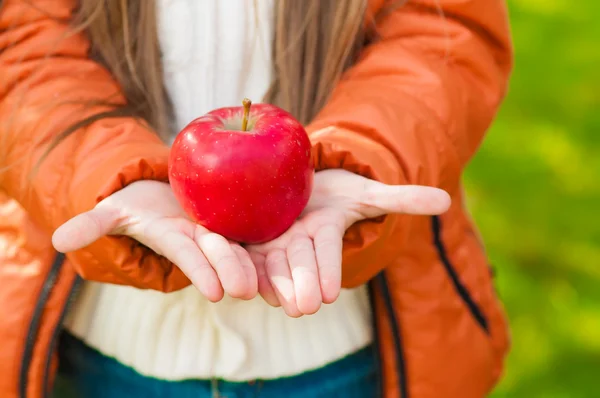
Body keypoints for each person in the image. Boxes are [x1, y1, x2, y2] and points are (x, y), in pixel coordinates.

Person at [0, 0, 513, 397]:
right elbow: (23, 49)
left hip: (355, 344)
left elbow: (440, 33)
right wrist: (102, 176)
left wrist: (363, 154)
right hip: (98, 342)